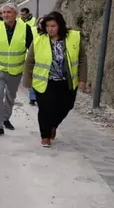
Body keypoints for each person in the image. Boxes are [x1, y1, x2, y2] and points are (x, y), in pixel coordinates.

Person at [23, 11, 88, 147]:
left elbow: (82, 58)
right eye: (48, 26)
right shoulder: (39, 39)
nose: (50, 29)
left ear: (60, 25)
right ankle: (45, 136)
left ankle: (53, 125)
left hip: (66, 81)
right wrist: (27, 81)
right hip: (45, 81)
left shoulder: (73, 37)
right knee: (45, 109)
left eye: (53, 26)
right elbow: (29, 61)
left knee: (67, 106)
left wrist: (82, 79)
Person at [0, 2, 34, 138]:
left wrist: (32, 68)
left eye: (8, 12)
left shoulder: (25, 28)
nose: (5, 15)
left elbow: (32, 48)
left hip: (16, 71)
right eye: (3, 13)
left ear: (15, 14)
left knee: (10, 97)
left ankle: (5, 118)